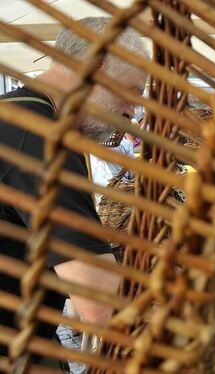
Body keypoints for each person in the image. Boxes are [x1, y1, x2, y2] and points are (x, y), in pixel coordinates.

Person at [0, 16, 148, 358]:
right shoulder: (42, 143)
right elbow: (101, 306)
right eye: (131, 92)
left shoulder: (12, 117)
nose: (133, 111)